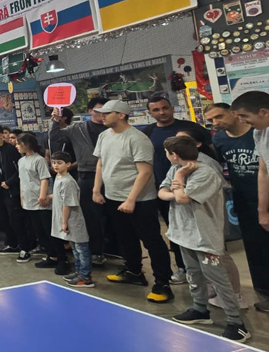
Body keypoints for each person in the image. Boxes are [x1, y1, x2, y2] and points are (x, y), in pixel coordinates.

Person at [161, 136, 249, 342]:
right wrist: (176, 189)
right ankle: (200, 309)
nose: (166, 156)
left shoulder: (205, 172)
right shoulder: (174, 169)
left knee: (218, 279)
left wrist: (179, 180)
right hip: (183, 233)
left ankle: (236, 322)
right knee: (193, 273)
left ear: (174, 155)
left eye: (167, 152)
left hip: (205, 236)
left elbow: (182, 198)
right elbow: (162, 192)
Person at [92, 100, 173, 303]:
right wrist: (96, 189)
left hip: (140, 201)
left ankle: (163, 283)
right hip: (113, 197)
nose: (102, 116)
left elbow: (145, 173)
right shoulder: (104, 136)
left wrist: (131, 200)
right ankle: (134, 271)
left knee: (152, 241)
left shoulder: (137, 139)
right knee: (125, 237)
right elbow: (100, 164)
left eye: (107, 113)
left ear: (121, 115)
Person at [205, 102, 269, 312]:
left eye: (219, 116)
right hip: (243, 200)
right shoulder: (219, 139)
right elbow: (220, 166)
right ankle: (263, 291)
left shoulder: (257, 133)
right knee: (254, 248)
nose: (216, 123)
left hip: (264, 198)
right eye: (211, 120)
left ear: (233, 113)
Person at [144, 94, 213, 284]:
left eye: (165, 108)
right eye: (156, 110)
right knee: (175, 230)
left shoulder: (190, 129)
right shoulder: (148, 132)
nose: (162, 112)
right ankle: (184, 268)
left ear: (172, 108)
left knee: (203, 229)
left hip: (196, 187)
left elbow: (210, 151)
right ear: (150, 113)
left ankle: (209, 272)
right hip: (167, 187)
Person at [176, 126, 246, 308]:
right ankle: (212, 291)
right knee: (202, 259)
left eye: (183, 140)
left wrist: (180, 191)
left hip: (210, 218)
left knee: (219, 256)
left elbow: (188, 195)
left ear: (198, 144)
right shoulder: (181, 165)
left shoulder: (206, 165)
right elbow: (169, 190)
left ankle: (235, 296)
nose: (177, 144)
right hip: (193, 219)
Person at [51, 98, 109, 266]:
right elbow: (56, 137)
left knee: (117, 217)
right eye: (98, 110)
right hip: (87, 175)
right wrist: (55, 120)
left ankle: (121, 254)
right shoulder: (78, 129)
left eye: (106, 111)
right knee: (91, 217)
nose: (103, 114)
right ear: (90, 111)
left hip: (112, 175)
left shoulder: (113, 128)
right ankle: (96, 252)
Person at [51, 151, 92, 287]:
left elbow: (67, 203)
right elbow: (59, 196)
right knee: (74, 248)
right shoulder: (59, 177)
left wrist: (64, 222)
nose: (55, 165)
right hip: (66, 219)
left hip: (73, 220)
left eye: (59, 163)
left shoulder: (68, 182)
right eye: (53, 162)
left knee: (81, 249)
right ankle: (79, 271)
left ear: (68, 164)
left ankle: (85, 276)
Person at [17, 133, 58, 270]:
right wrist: (22, 197)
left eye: (18, 144)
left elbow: (44, 179)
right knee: (39, 232)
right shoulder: (21, 161)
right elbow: (22, 181)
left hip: (40, 200)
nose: (17, 146)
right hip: (28, 200)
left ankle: (57, 256)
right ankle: (50, 255)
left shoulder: (39, 160)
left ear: (26, 144)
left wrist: (42, 196)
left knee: (47, 230)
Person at [0, 124, 22, 257]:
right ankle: (11, 243)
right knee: (2, 218)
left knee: (14, 219)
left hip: (10, 190)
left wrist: (9, 182)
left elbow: (19, 169)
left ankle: (22, 245)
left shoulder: (10, 150)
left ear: (1, 135)